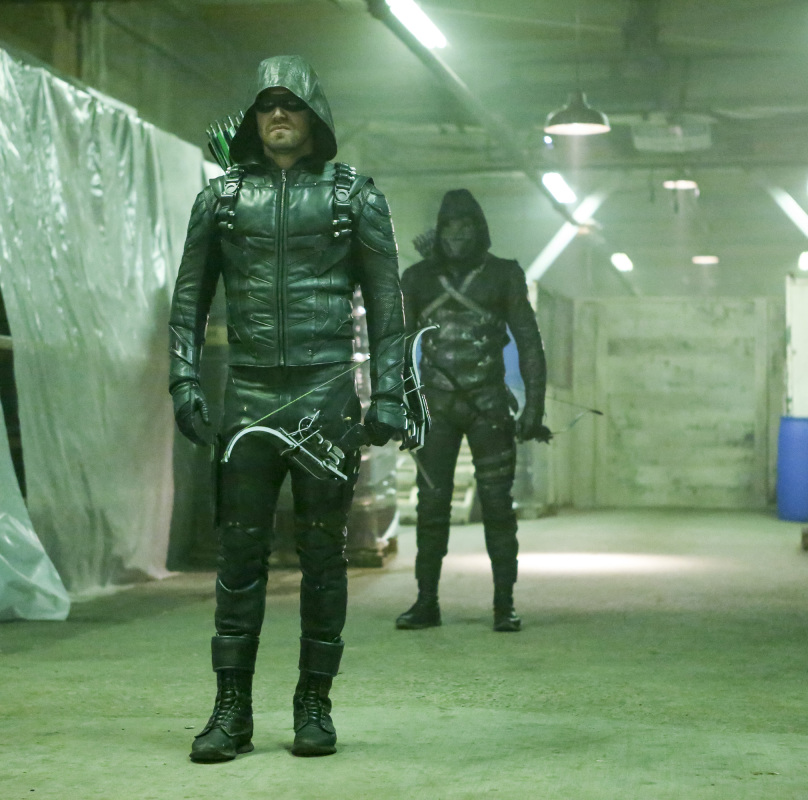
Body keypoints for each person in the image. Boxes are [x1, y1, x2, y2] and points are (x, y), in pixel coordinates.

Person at [168, 55, 407, 762]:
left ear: (314, 116)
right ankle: (231, 709)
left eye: (292, 104)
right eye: (267, 103)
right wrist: (184, 379)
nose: (279, 114)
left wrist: (390, 392)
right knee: (239, 557)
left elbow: (387, 301)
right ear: (254, 117)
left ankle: (314, 704)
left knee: (324, 556)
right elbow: (189, 297)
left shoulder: (354, 197)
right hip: (248, 395)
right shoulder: (221, 199)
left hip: (325, 396)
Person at [396, 189, 548, 633]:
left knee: (498, 507)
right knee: (431, 507)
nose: (457, 234)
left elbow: (529, 341)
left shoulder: (503, 275)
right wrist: (397, 407)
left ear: (479, 229)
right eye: (449, 226)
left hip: (489, 407)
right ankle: (426, 602)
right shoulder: (417, 278)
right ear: (439, 231)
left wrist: (535, 408)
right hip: (435, 407)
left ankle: (504, 605)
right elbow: (397, 347)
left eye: (465, 226)